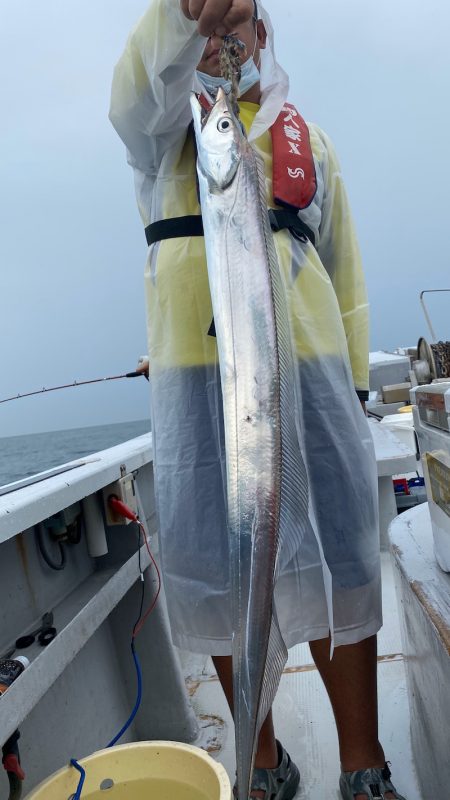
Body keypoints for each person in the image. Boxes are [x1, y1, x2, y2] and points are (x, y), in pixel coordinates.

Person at [110, 2, 407, 799]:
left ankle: (362, 762)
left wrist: (348, 389)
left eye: (238, 27)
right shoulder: (166, 136)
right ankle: (264, 759)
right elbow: (134, 95)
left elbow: (346, 282)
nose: (220, 42)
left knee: (342, 561)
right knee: (220, 570)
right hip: (195, 385)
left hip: (309, 379)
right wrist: (182, 13)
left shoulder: (314, 146)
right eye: (205, 34)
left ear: (263, 39)